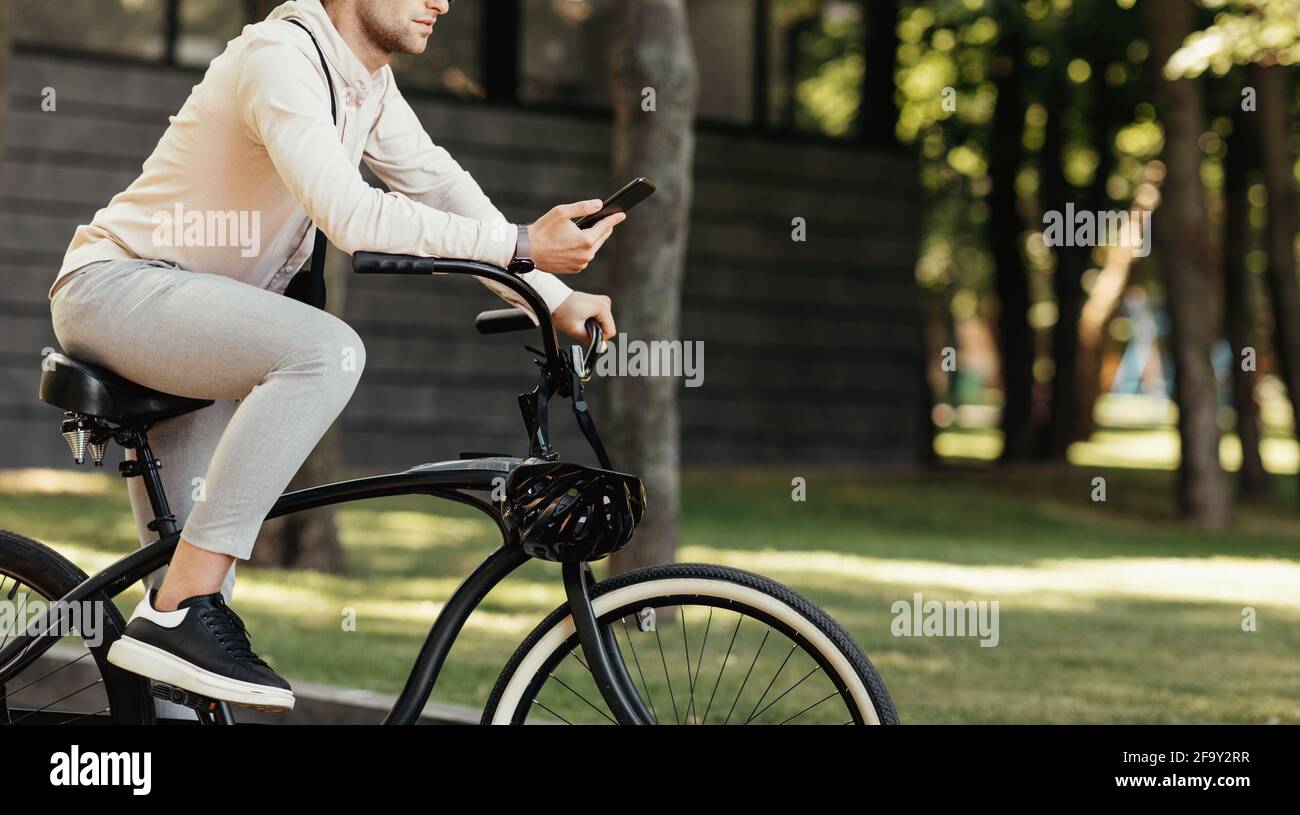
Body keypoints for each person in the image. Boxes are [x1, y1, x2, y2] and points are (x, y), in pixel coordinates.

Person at [47, 0, 623, 713]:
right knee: (326, 352)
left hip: (197, 318)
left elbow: (438, 184)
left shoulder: (366, 85)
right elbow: (351, 216)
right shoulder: (278, 59)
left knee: (184, 666)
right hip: (117, 289)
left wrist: (553, 296)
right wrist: (522, 243)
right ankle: (180, 602)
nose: (442, 1)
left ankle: (177, 613)